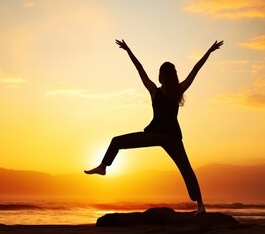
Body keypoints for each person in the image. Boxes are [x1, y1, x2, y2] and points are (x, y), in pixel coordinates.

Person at [85, 39, 223, 215]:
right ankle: (201, 206)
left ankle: (104, 166)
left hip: (160, 135)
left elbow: (141, 70)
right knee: (186, 169)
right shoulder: (175, 90)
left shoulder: (157, 91)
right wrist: (209, 51)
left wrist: (128, 50)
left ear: (162, 76)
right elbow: (194, 69)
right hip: (169, 136)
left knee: (118, 141)